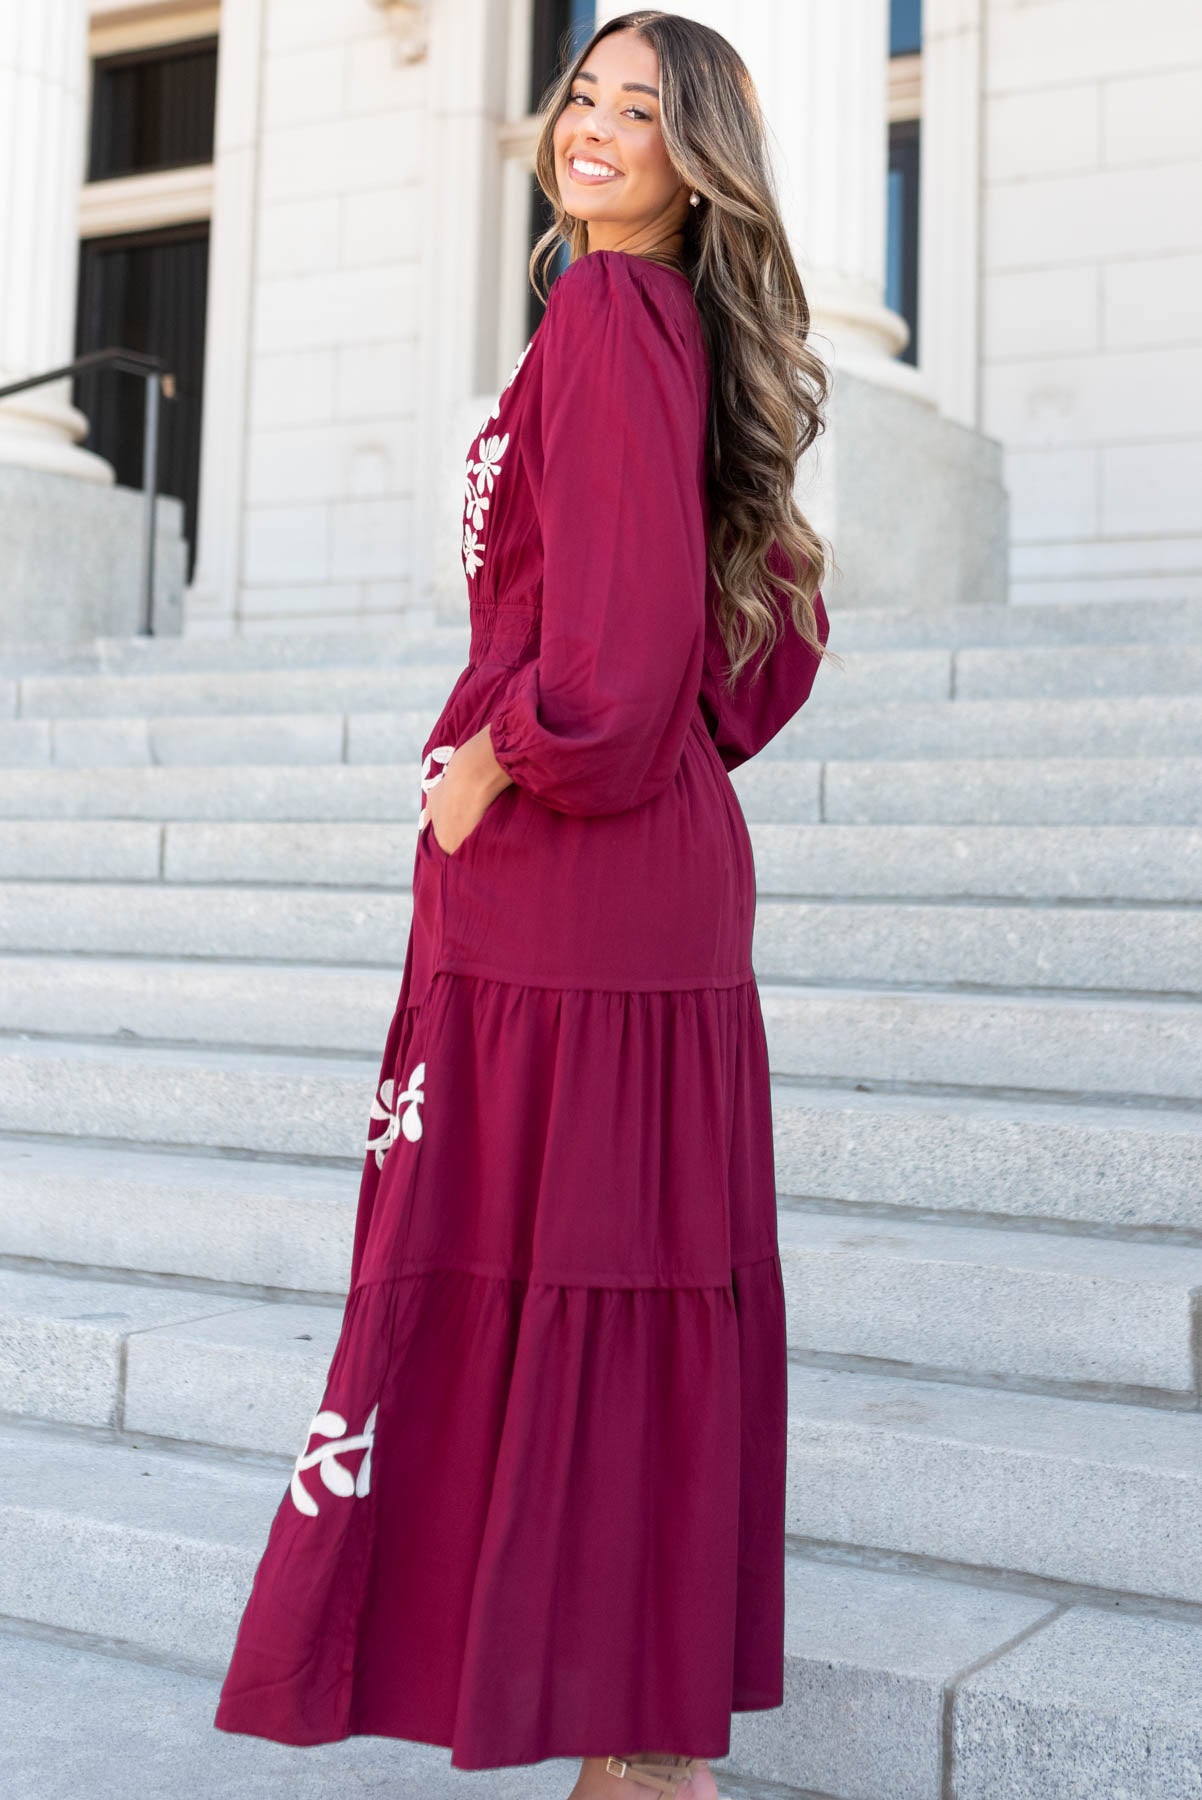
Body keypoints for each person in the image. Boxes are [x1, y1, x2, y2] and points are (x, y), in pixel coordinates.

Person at [213, 12, 834, 1798]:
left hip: (571, 886)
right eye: (586, 92)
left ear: (692, 151)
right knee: (613, 1285)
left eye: (644, 109)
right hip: (631, 882)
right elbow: (765, 641)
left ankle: (638, 1766)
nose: (598, 127)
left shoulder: (609, 312)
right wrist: (638, 745)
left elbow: (630, 662)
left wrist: (511, 755)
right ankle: (639, 1754)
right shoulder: (673, 325)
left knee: (573, 1279)